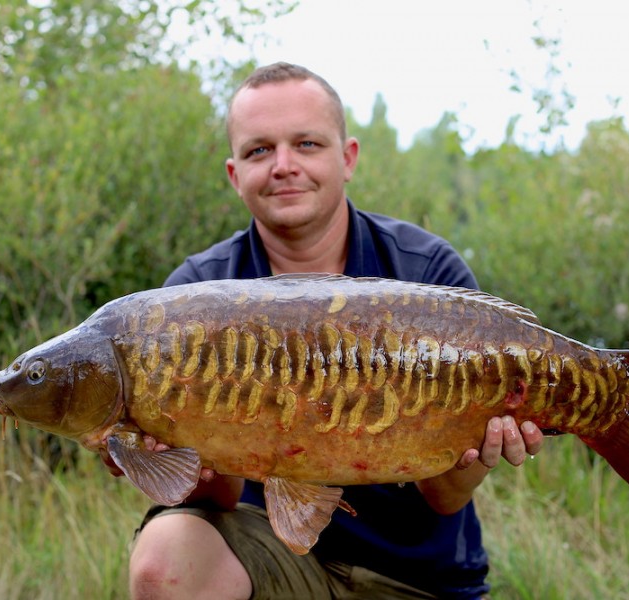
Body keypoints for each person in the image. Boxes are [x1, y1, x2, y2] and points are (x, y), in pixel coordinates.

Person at [122, 62, 544, 600]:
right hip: (271, 563)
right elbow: (214, 501)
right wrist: (175, 452)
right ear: (234, 175)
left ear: (347, 159)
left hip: (416, 579)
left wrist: (478, 449)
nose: (283, 166)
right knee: (164, 558)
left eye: (306, 144)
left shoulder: (425, 272)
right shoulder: (192, 297)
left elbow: (445, 500)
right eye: (259, 151)